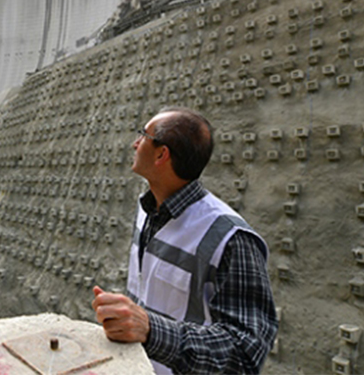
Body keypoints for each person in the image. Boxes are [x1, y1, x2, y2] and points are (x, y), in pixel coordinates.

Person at [91, 107, 278, 374]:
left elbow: (245, 353)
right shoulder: (147, 211)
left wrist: (152, 330)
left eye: (142, 136)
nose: (135, 143)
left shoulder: (231, 239)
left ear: (161, 154)